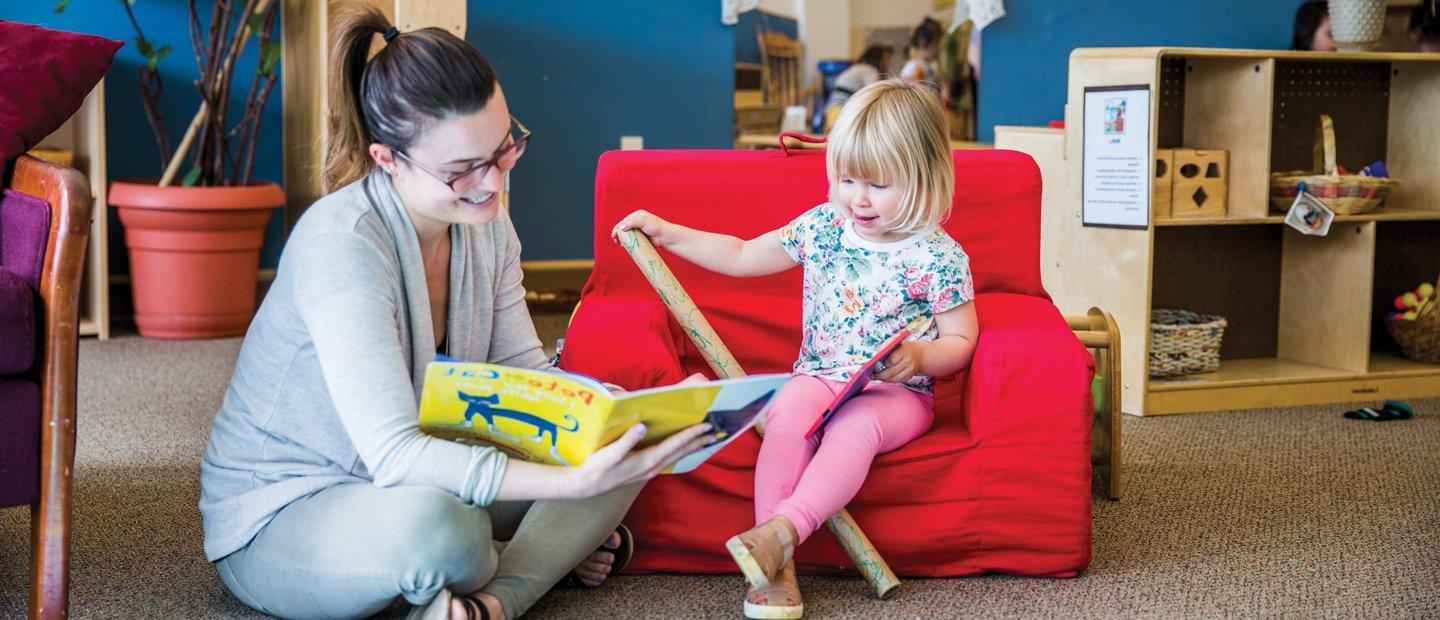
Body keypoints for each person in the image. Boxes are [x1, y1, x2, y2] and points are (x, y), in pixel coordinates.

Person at [198, 6, 716, 620]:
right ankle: (526, 557)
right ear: (388, 158)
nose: (492, 184)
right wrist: (569, 489)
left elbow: (524, 379)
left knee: (622, 442)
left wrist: (629, 413)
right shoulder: (341, 244)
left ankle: (494, 603)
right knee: (447, 533)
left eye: (503, 150)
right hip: (290, 509)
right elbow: (394, 455)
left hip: (428, 470)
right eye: (461, 169)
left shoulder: (483, 223)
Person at [611, 79, 979, 619]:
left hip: (894, 393)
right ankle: (775, 568)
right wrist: (669, 233)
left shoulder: (939, 255)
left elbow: (962, 341)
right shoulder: (825, 226)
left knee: (856, 428)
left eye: (877, 184)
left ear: (924, 179)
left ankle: (783, 530)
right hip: (818, 375)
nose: (857, 197)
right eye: (846, 178)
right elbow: (740, 256)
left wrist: (921, 360)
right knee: (787, 415)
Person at [825, 45, 892, 110]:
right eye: (886, 59)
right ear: (878, 59)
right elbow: (875, 93)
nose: (888, 62)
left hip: (831, 110)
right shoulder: (869, 70)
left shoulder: (857, 67)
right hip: (842, 109)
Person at [900, 17, 945, 92]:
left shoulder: (929, 66)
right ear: (924, 43)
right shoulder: (914, 67)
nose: (938, 48)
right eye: (936, 44)